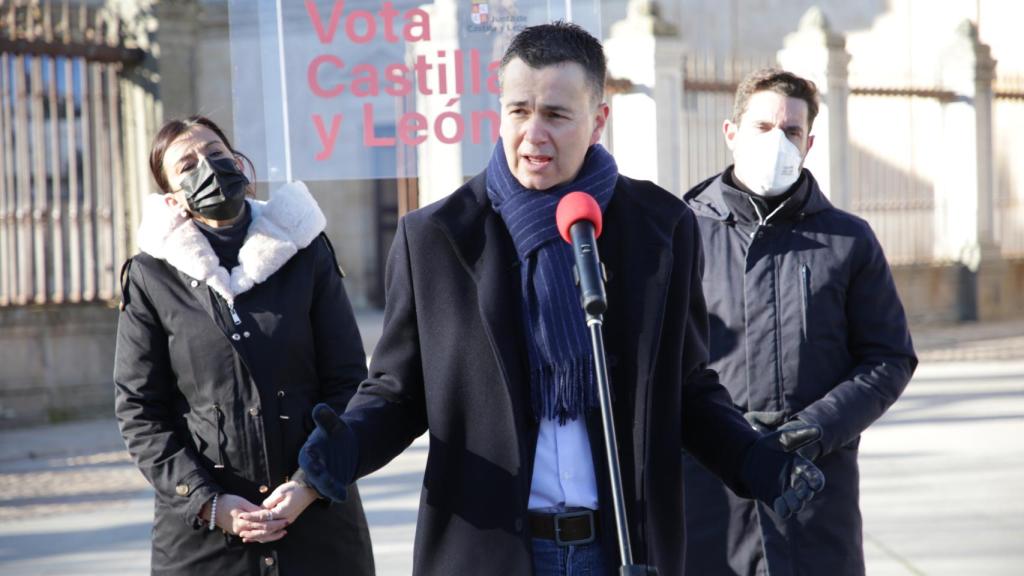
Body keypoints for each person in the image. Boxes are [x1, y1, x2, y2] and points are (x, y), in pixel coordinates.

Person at [298, 23, 823, 576]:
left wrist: (752, 460)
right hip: (490, 549)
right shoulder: (436, 237)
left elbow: (686, 387)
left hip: (620, 549)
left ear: (599, 121)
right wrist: (347, 445)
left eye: (555, 115)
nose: (532, 135)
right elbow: (399, 391)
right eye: (518, 111)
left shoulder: (660, 229)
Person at [681, 68, 918, 576]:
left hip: (813, 490)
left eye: (790, 131)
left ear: (808, 143)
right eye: (763, 127)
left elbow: (889, 357)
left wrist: (813, 430)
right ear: (731, 133)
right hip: (710, 495)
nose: (777, 141)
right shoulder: (681, 232)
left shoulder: (848, 240)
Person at [113, 115, 375, 575]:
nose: (208, 168)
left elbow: (349, 381)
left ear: (238, 161)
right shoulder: (152, 276)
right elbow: (140, 409)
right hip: (205, 542)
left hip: (318, 528)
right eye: (187, 164)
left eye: (215, 153)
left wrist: (311, 481)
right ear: (172, 197)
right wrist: (208, 502)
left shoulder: (304, 250)